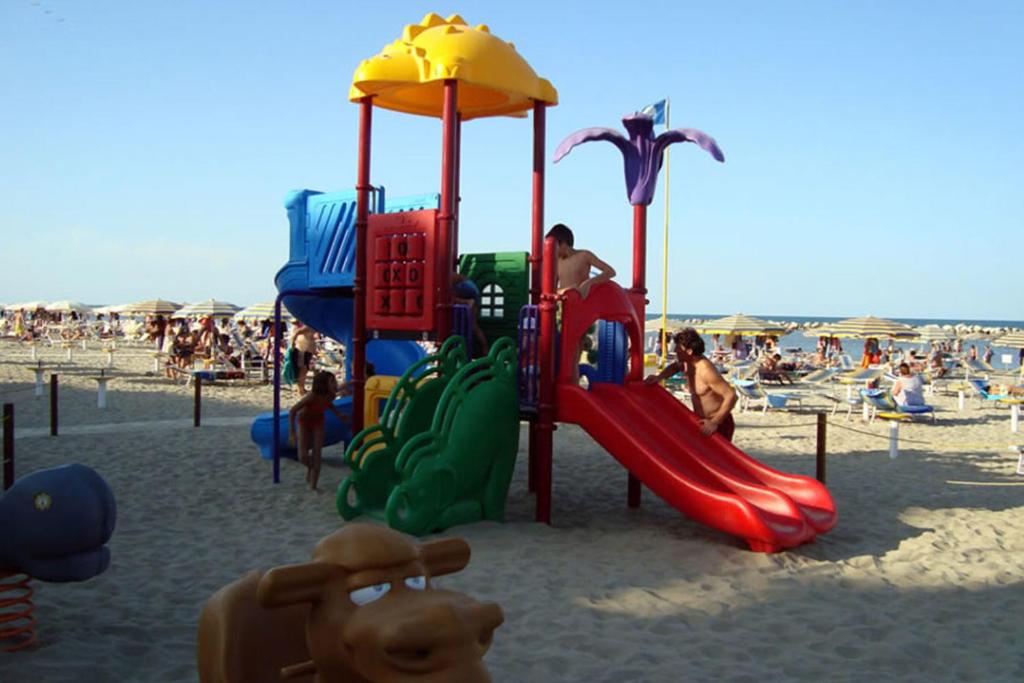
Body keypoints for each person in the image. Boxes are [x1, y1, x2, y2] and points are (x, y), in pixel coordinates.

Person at [644, 327, 738, 440]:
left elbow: (731, 395)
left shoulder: (706, 371)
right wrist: (659, 377)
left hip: (718, 423)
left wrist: (715, 422)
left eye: (678, 348)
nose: (676, 351)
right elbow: (674, 367)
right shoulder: (687, 363)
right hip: (702, 422)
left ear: (689, 351)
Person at [288, 371, 348, 491]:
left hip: (318, 423)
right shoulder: (312, 396)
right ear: (323, 384)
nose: (335, 383)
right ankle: (311, 467)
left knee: (317, 453)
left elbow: (329, 404)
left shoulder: (331, 395)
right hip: (304, 423)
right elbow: (293, 411)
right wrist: (292, 433)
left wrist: (339, 414)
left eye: (334, 381)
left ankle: (313, 485)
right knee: (302, 456)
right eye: (332, 381)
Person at [546, 223, 616, 298]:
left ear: (563, 243)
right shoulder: (556, 262)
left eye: (554, 247)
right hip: (565, 302)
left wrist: (589, 283)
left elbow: (610, 272)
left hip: (581, 302)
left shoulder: (584, 255)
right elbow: (552, 289)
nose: (552, 251)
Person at [451, 272, 489, 355]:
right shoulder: (452, 275)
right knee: (473, 325)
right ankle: (484, 348)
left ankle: (468, 302)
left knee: (449, 299)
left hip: (467, 287)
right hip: (471, 288)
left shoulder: (447, 276)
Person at [290, 322, 318, 395]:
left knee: (304, 370)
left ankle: (301, 388)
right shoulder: (307, 326)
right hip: (302, 350)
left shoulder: (312, 326)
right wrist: (292, 344)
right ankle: (300, 389)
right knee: (303, 370)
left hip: (306, 351)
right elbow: (296, 332)